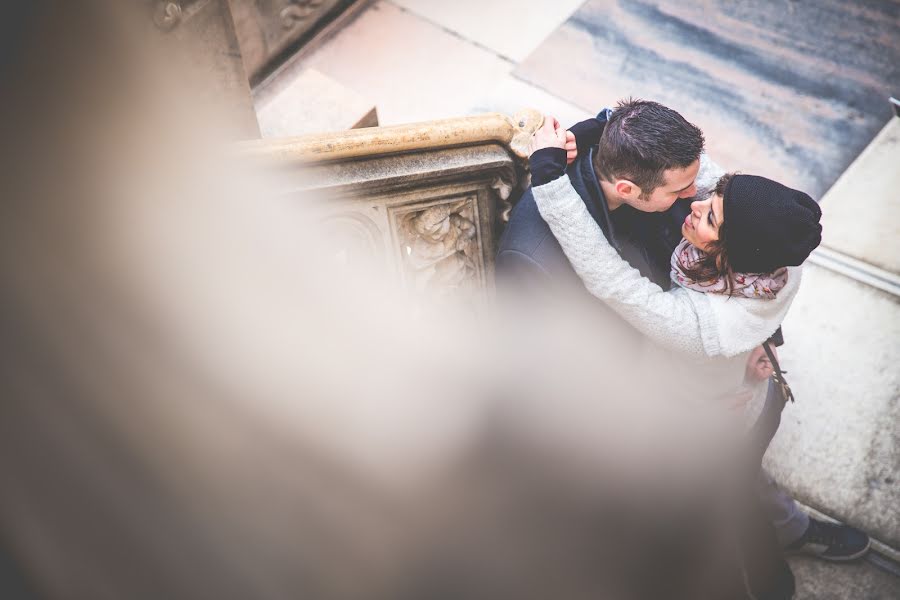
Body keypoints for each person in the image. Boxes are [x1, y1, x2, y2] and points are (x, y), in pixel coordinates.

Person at [495, 100, 870, 594]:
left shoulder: (704, 325)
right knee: (749, 479)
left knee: (723, 509)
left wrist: (548, 177)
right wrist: (591, 130)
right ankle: (792, 528)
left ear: (733, 256)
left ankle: (768, 581)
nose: (692, 201)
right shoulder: (779, 260)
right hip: (750, 393)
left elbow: (613, 282)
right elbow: (693, 165)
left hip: (708, 427)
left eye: (709, 216)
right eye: (697, 194)